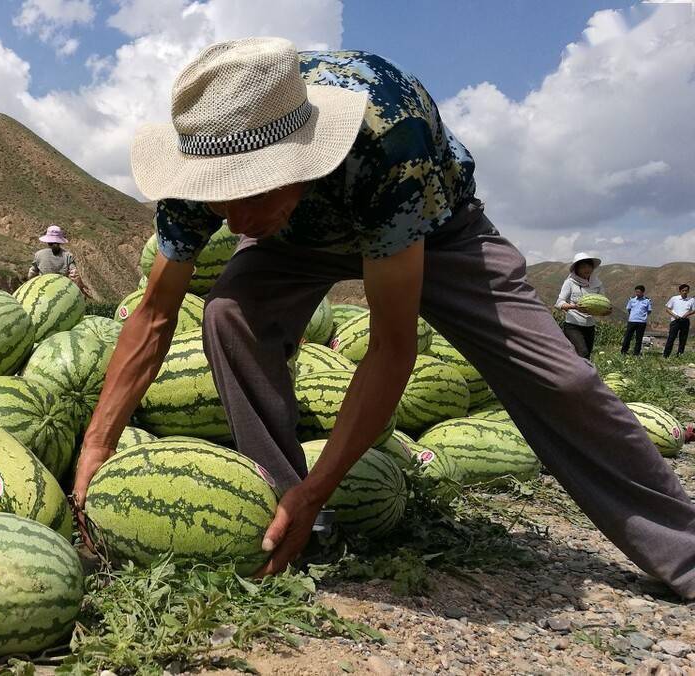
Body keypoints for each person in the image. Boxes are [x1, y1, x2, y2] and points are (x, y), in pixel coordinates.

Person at [70, 38, 695, 599]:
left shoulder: (389, 133)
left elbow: (392, 347)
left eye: (249, 190)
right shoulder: (202, 155)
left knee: (559, 378)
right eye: (217, 195)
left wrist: (326, 483)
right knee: (230, 315)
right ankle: (282, 514)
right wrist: (97, 446)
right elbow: (154, 315)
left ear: (298, 157)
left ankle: (684, 553)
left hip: (432, 227)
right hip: (294, 235)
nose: (230, 220)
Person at [554, 253, 604, 359]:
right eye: (583, 267)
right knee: (583, 352)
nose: (587, 269)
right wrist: (574, 307)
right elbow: (559, 303)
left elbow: (603, 302)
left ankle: (582, 374)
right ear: (576, 269)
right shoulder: (570, 283)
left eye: (589, 266)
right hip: (573, 325)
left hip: (590, 325)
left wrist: (604, 311)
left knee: (586, 356)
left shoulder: (597, 284)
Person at [29, 225, 86, 293]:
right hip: (61, 291)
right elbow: (74, 275)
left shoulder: (39, 254)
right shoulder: (68, 256)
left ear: (48, 242)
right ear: (60, 242)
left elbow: (32, 273)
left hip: (42, 290)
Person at [664, 284, 694, 358]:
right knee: (671, 338)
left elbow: (694, 310)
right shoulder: (674, 298)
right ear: (680, 291)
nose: (684, 292)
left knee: (683, 339)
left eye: (686, 290)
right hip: (675, 320)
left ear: (688, 291)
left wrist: (687, 314)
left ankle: (679, 355)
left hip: (685, 321)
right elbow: (667, 309)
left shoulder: (691, 300)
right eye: (683, 290)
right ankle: (666, 355)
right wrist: (675, 315)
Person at [621, 286, 651, 356]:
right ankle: (624, 351)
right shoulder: (632, 300)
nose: (637, 293)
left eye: (639, 292)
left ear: (643, 292)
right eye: (636, 292)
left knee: (639, 338)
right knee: (628, 337)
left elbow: (649, 311)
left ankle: (636, 353)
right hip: (632, 321)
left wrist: (643, 316)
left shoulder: (647, 301)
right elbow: (629, 309)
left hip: (641, 322)